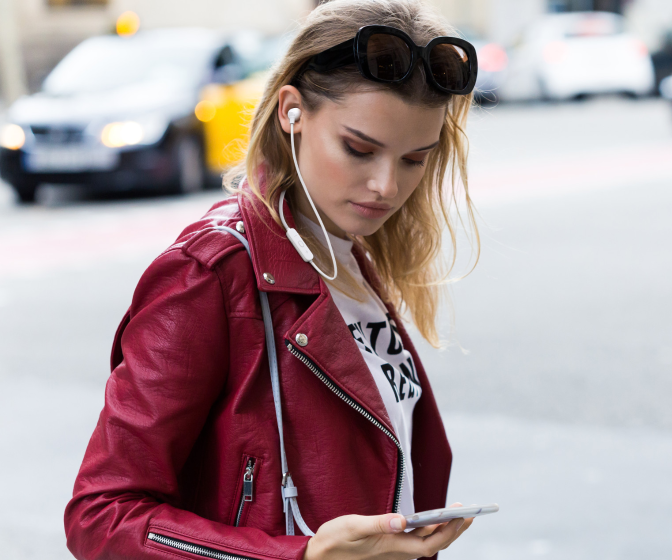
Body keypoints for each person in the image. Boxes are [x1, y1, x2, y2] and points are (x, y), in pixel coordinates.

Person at [63, 1, 481, 559]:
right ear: (291, 112)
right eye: (359, 149)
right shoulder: (209, 271)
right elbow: (101, 516)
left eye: (414, 159)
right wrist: (300, 557)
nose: (385, 185)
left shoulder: (348, 255)